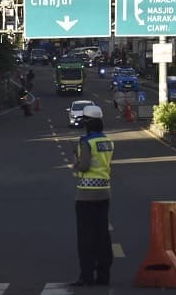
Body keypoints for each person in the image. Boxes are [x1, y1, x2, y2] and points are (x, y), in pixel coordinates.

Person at [71, 105, 114, 287]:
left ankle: (86, 276)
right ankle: (104, 275)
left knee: (86, 238)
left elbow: (84, 166)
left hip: (86, 196)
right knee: (102, 235)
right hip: (104, 194)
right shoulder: (108, 142)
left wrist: (75, 159)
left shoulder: (86, 142)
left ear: (87, 122)